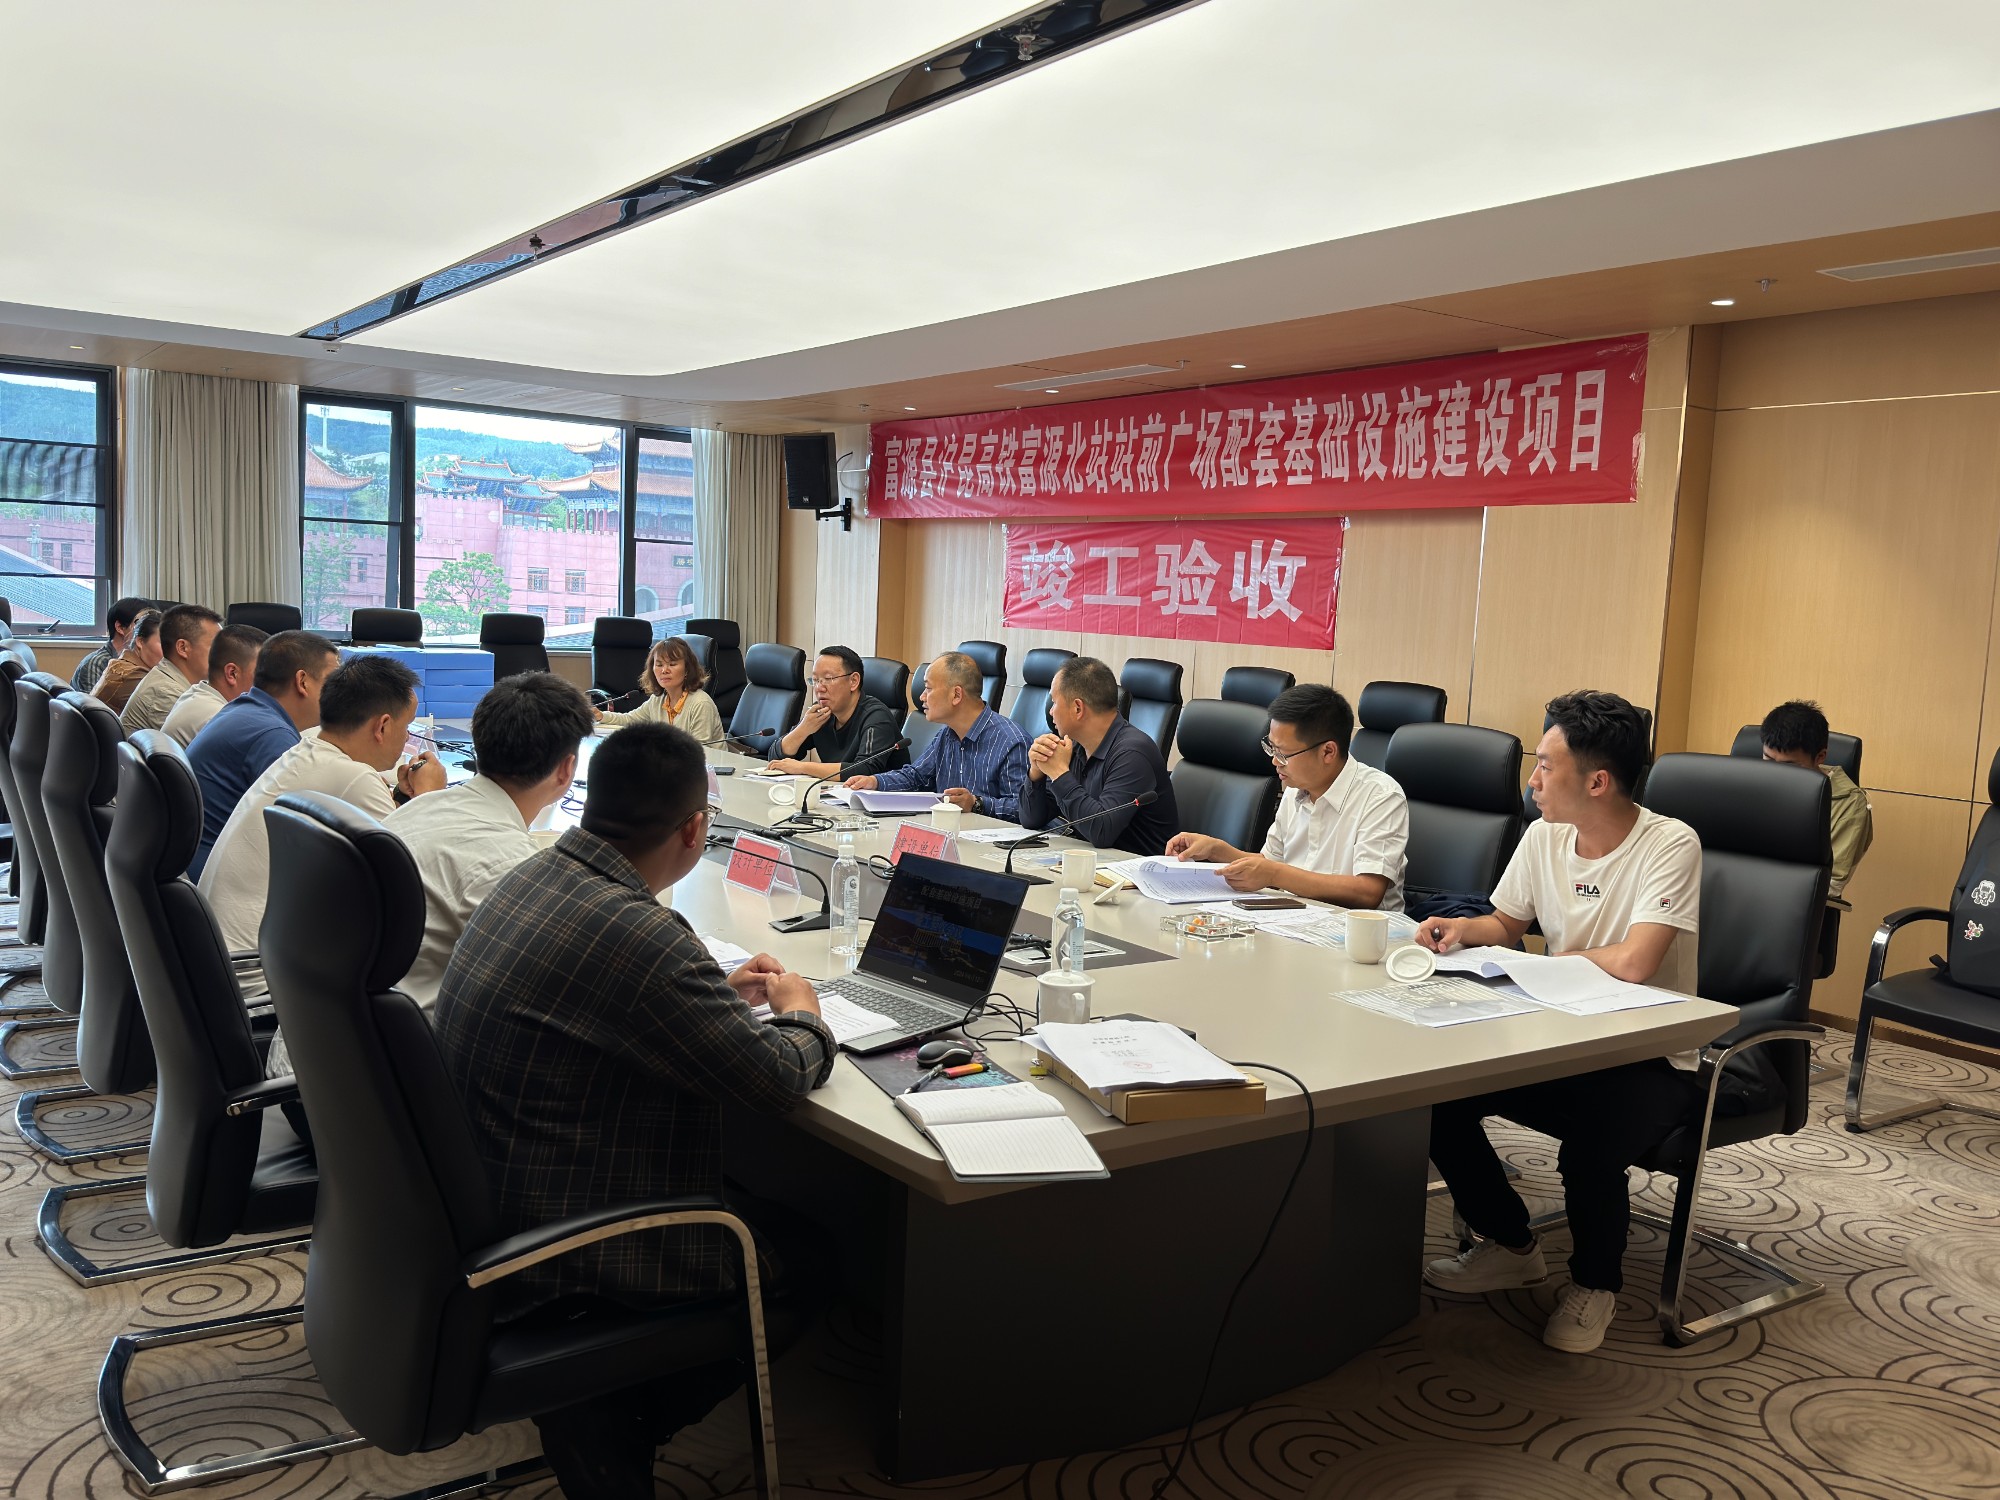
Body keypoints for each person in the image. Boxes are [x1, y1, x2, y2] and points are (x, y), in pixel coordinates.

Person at [435, 723, 833, 1498]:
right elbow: (780, 1079)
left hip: (490, 1201)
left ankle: (600, 1406)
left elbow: (609, 995)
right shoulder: (641, 935)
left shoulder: (535, 874)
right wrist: (803, 1013)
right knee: (812, 1259)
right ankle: (614, 1419)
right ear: (694, 830)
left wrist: (709, 995)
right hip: (566, 1239)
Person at [1416, 690, 1703, 1354]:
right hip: (1560, 1034)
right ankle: (1511, 1244)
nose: (1533, 781)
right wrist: (1463, 931)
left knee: (1590, 1148)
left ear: (1597, 782)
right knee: (1436, 1099)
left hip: (1650, 1054)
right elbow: (1506, 923)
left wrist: (1548, 965)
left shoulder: (1669, 843)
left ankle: (1596, 1284)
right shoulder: (1544, 835)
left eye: (1545, 766)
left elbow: (1636, 963)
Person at [199, 654, 445, 957]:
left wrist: (403, 799)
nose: (408, 737)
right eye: (407, 726)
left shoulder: (306, 748)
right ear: (382, 726)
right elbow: (418, 879)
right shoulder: (356, 778)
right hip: (257, 970)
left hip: (222, 952)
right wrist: (430, 796)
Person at [384, 672, 593, 1009]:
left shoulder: (418, 808)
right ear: (566, 769)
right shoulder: (513, 867)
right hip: (419, 1034)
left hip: (349, 1022)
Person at [1166, 683, 1408, 910]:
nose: (1274, 761)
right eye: (1271, 748)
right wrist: (1216, 850)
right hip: (1296, 920)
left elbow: (1368, 891)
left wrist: (1274, 874)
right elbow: (1268, 862)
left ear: (1328, 752)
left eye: (1283, 754)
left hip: (1360, 933)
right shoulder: (1294, 789)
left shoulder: (1380, 796)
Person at [186, 630, 339, 879]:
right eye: (332, 683)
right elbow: (302, 833)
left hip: (197, 863)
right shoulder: (272, 735)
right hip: (217, 879)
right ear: (302, 682)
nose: (339, 694)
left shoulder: (246, 710)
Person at [1017, 656, 1179, 856]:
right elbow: (1031, 819)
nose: (1050, 711)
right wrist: (1036, 773)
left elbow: (1102, 831)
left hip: (1137, 869)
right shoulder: (1075, 747)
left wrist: (1059, 773)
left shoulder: (1132, 754)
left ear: (1078, 708)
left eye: (1054, 702)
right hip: (1093, 862)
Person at [844, 651, 1029, 820]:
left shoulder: (1011, 741)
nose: (922, 697)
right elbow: (916, 777)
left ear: (956, 695)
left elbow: (1024, 809)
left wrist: (977, 804)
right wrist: (874, 782)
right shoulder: (947, 734)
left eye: (928, 689)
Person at [1760, 699, 1872, 898]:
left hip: (1793, 902)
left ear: (1820, 756)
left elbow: (1831, 884)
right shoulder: (1750, 781)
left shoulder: (1850, 804)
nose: (1775, 772)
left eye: (1789, 765)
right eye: (1768, 759)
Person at [765, 645, 900, 776]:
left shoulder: (876, 716)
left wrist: (803, 767)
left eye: (828, 679)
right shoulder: (821, 713)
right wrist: (803, 729)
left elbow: (865, 769)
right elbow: (775, 757)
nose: (819, 688)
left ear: (853, 681)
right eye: (815, 680)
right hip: (836, 789)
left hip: (883, 791)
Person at [595, 636, 724, 744]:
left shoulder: (701, 703)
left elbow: (700, 751)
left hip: (710, 766)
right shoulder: (658, 700)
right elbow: (629, 720)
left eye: (672, 664)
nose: (664, 670)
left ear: (687, 670)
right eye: (659, 665)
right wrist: (601, 715)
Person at [120, 603, 222, 733]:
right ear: (183, 648)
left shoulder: (170, 677)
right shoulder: (166, 693)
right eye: (216, 647)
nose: (224, 654)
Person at [161, 623, 266, 747]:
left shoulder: (199, 693)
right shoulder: (218, 716)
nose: (269, 683)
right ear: (232, 673)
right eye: (262, 674)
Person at [70, 596, 151, 695]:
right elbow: (93, 704)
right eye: (140, 624)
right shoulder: (97, 663)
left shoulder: (147, 660)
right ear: (120, 627)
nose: (148, 631)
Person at [88, 608, 162, 715]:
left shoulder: (122, 665)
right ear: (140, 642)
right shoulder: (133, 676)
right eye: (164, 644)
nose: (171, 652)